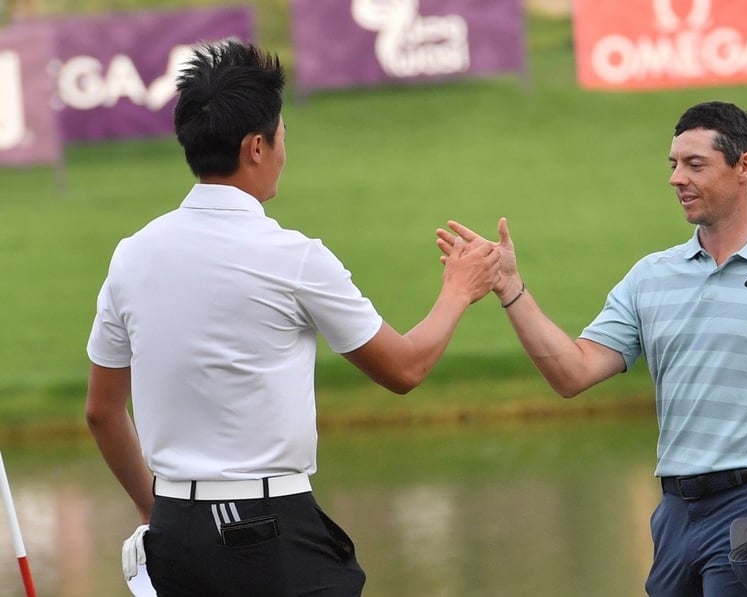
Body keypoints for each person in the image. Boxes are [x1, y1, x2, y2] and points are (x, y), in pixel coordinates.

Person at [84, 40, 499, 597]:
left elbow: (102, 412)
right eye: (281, 137)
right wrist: (458, 290)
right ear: (256, 146)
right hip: (268, 529)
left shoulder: (130, 255)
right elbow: (404, 369)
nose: (284, 150)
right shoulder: (294, 257)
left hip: (174, 537)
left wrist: (153, 509)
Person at [438, 101, 747, 596]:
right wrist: (510, 287)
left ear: (745, 167)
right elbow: (572, 373)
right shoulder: (651, 276)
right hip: (676, 515)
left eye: (694, 165)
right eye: (673, 164)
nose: (677, 178)